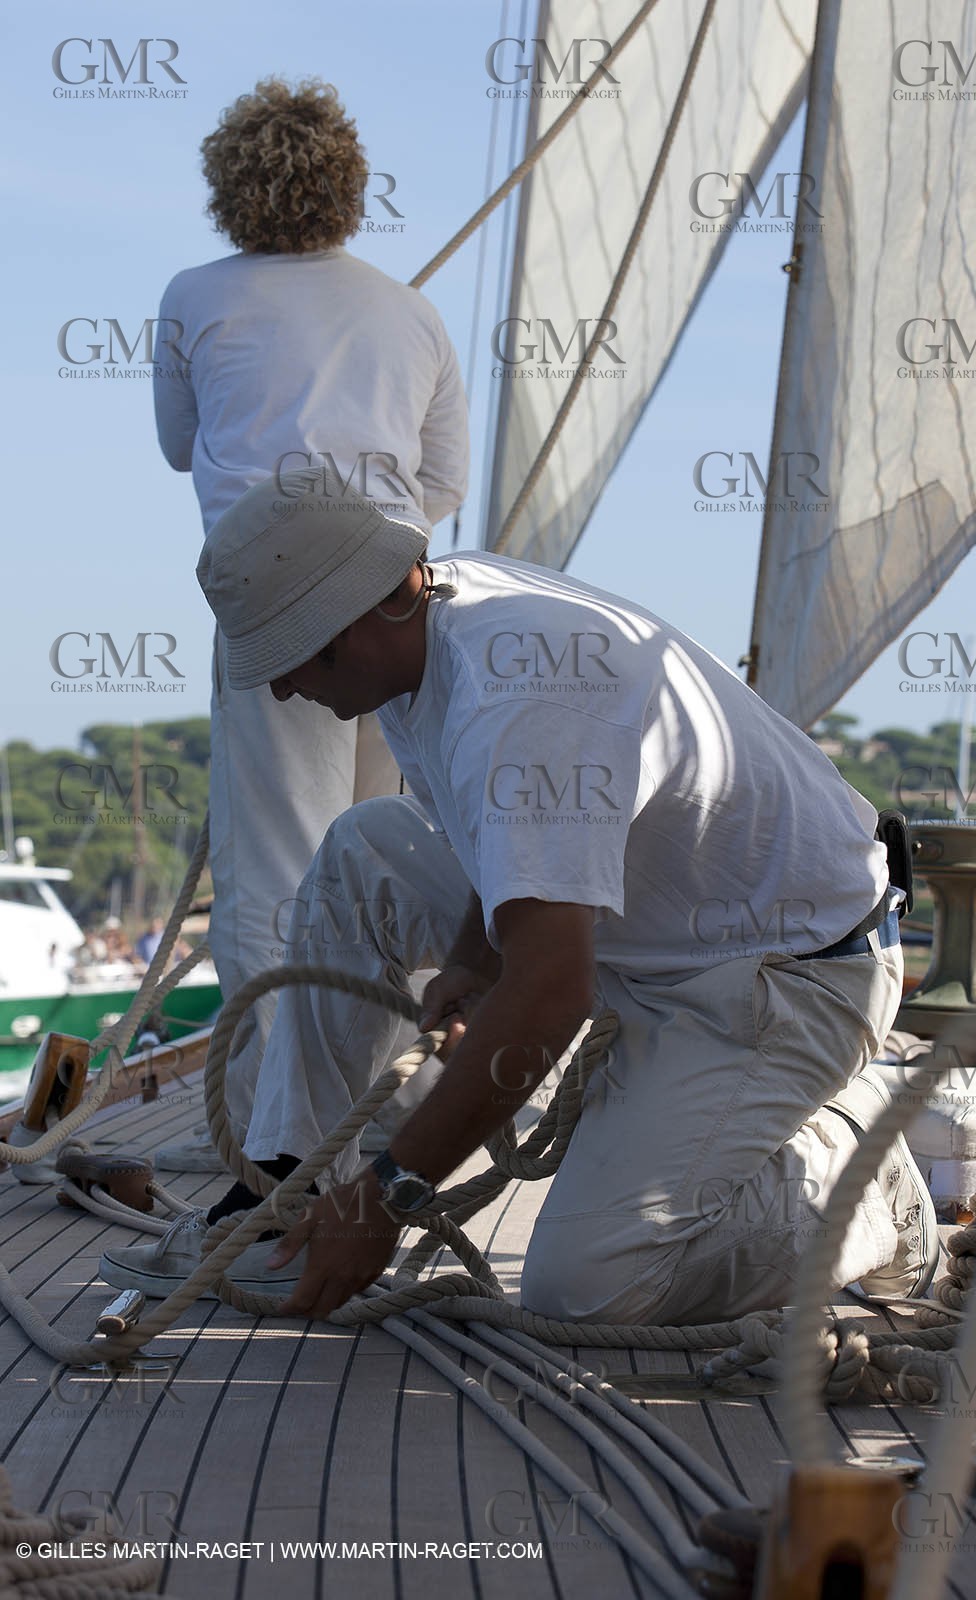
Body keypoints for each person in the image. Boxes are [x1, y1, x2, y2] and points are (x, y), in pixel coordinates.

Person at [101, 476, 938, 1322]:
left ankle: (862, 1184)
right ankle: (289, 1192)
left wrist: (390, 1195)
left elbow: (550, 993)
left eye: (289, 660)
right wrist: (474, 957)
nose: (280, 691)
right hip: (650, 937)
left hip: (782, 980)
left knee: (586, 1289)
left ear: (361, 620)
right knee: (364, 853)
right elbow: (496, 838)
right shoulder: (424, 634)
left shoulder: (522, 703)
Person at [151, 78, 468, 1160]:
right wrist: (369, 563)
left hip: (273, 604)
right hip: (399, 604)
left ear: (225, 187)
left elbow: (177, 444)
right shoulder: (411, 309)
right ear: (349, 186)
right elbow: (445, 478)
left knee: (273, 865)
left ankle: (270, 1139)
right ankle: (363, 1118)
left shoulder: (195, 294)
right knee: (386, 858)